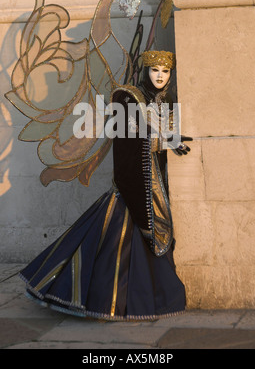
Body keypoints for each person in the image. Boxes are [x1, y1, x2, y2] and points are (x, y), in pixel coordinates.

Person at [18, 49, 192, 321]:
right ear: (145, 71)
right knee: (111, 254)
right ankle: (100, 301)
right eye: (155, 70)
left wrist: (170, 140)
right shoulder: (129, 97)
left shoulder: (165, 100)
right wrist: (165, 139)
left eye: (165, 71)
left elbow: (158, 138)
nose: (160, 75)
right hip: (132, 189)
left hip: (155, 190)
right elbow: (128, 142)